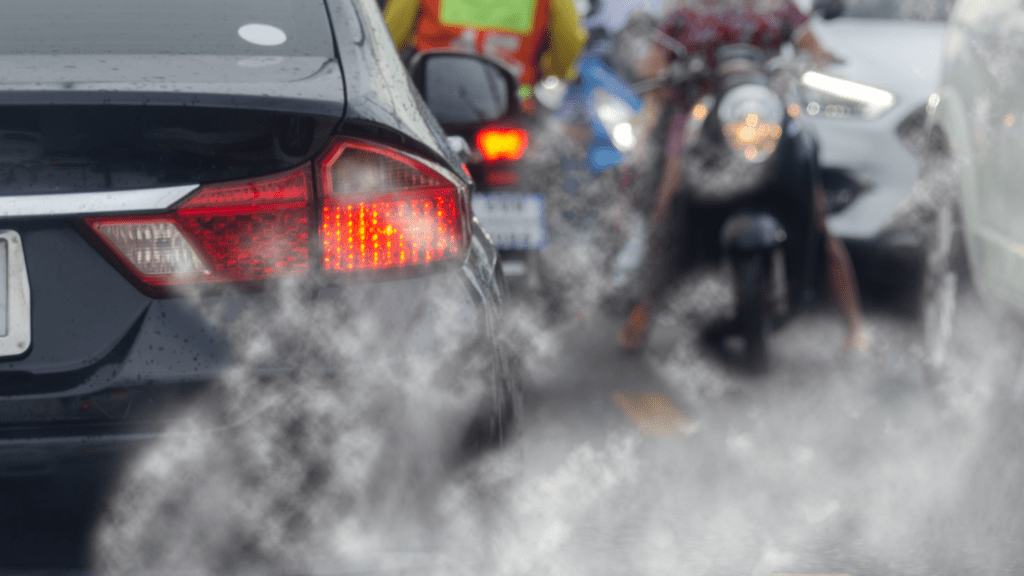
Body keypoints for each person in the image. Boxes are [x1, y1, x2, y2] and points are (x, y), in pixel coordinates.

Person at [618, 0, 872, 353]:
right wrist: (660, 75)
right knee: (667, 209)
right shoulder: (685, 14)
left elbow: (814, 49)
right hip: (702, 123)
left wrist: (819, 61)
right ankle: (642, 310)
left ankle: (855, 326)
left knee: (817, 216)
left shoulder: (778, 9)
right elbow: (653, 64)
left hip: (767, 120)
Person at [384, 0, 589, 87]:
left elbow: (389, 37)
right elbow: (570, 39)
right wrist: (554, 71)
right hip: (512, 100)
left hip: (430, 94)